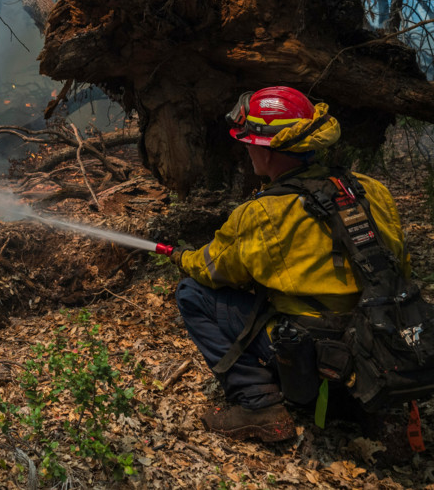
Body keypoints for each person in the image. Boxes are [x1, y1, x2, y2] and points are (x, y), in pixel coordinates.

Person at [171, 86, 410, 442]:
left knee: (192, 293)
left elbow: (214, 269)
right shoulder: (371, 190)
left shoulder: (263, 212)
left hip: (312, 350)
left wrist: (181, 257)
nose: (246, 148)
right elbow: (399, 265)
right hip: (379, 342)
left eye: (249, 141)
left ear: (268, 151)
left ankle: (258, 405)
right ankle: (366, 409)